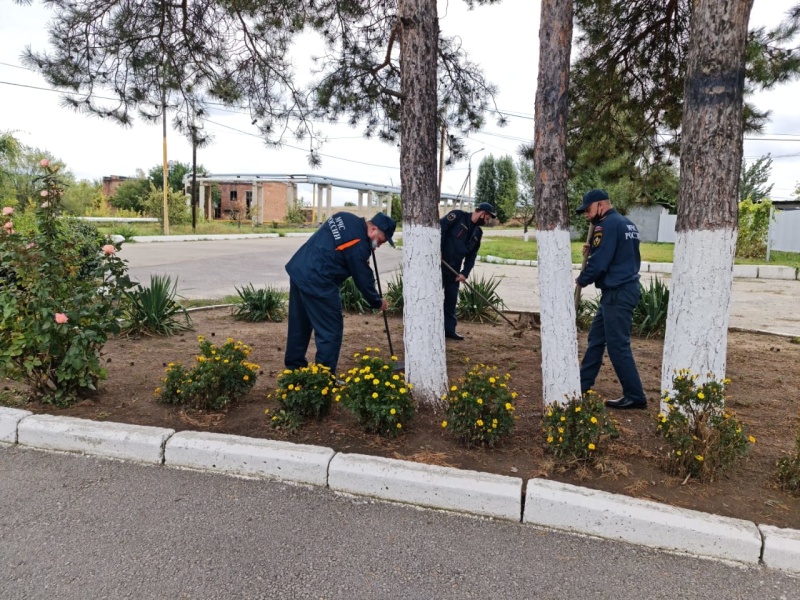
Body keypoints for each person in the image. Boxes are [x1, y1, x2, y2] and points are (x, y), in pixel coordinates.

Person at [284, 211, 394, 374]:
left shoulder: (344, 217)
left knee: (299, 324)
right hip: (319, 282)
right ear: (373, 230)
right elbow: (363, 277)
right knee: (331, 330)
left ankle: (294, 369)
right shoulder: (359, 244)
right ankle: (324, 378)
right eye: (381, 241)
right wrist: (377, 301)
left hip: (300, 270)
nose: (378, 245)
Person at [574, 189, 647, 410]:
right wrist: (594, 248)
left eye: (588, 210)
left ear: (600, 205)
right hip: (620, 290)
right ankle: (581, 386)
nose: (586, 214)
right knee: (596, 341)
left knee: (618, 346)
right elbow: (619, 252)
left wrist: (582, 279)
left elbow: (600, 263)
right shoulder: (626, 223)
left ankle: (635, 395)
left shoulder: (604, 225)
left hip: (618, 292)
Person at [440, 201, 496, 340]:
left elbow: (471, 256)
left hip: (455, 270)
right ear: (482, 213)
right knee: (434, 298)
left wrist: (464, 273)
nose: (487, 221)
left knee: (451, 300)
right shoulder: (458, 216)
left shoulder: (478, 233)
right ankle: (431, 329)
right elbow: (441, 229)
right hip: (440, 265)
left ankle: (449, 331)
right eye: (487, 218)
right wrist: (438, 249)